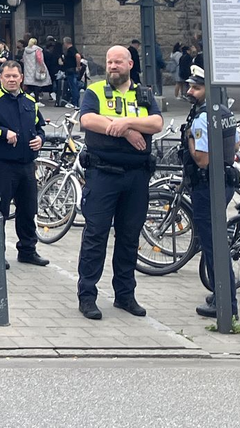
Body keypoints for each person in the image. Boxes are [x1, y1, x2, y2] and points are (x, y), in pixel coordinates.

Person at [75, 45, 164, 320]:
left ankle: (125, 295)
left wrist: (125, 123)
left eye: (118, 62)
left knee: (128, 237)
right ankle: (87, 295)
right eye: (109, 62)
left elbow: (157, 123)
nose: (112, 66)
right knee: (96, 235)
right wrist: (127, 132)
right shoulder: (96, 91)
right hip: (103, 174)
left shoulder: (144, 93)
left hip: (136, 176)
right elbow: (88, 119)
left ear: (129, 64)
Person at [180, 64, 239, 320]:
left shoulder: (203, 117)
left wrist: (191, 141)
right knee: (215, 242)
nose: (191, 91)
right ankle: (219, 293)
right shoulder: (225, 112)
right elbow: (234, 146)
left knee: (213, 244)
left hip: (207, 185)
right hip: (223, 182)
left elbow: (202, 160)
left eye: (197, 87)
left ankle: (225, 303)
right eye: (190, 86)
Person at [0, 59, 49, 266]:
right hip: (2, 164)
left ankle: (27, 250)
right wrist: (2, 132)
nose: (11, 80)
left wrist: (40, 139)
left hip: (27, 165)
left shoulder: (30, 102)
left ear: (21, 78)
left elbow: (40, 127)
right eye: (7, 76)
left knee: (28, 209)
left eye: (15, 76)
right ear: (0, 78)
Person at [59, 37, 81, 108]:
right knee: (73, 86)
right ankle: (74, 102)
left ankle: (75, 103)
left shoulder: (71, 49)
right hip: (70, 70)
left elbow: (78, 56)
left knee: (73, 87)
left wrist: (78, 66)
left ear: (66, 43)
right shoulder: (70, 50)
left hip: (71, 70)